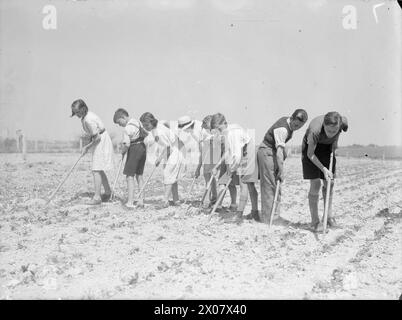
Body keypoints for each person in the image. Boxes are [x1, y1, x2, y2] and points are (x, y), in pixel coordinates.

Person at [257, 109, 308, 224]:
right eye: (295, 125)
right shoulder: (283, 129)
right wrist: (281, 170)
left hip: (273, 152)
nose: (296, 128)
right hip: (267, 152)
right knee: (269, 185)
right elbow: (279, 151)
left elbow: (281, 149)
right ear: (292, 118)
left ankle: (275, 216)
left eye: (299, 127)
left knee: (276, 185)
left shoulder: (288, 123)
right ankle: (268, 218)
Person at [302, 111, 348, 232]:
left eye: (335, 131)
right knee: (316, 183)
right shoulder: (314, 131)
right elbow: (310, 154)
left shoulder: (342, 122)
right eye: (329, 131)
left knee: (330, 183)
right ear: (324, 126)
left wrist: (335, 143)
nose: (331, 133)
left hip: (327, 148)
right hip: (311, 150)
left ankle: (328, 217)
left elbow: (337, 134)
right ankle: (315, 222)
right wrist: (323, 169)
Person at [210, 113, 258, 223]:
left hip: (247, 152)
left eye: (218, 129)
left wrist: (233, 168)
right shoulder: (227, 133)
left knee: (244, 183)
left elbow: (237, 155)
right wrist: (217, 166)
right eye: (216, 131)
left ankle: (239, 215)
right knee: (247, 184)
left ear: (222, 125)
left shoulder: (232, 133)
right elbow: (227, 152)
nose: (218, 132)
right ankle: (254, 213)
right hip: (242, 152)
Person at [71, 99, 114, 205]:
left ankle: (97, 197)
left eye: (78, 112)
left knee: (96, 170)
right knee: (98, 168)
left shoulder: (88, 119)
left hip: (101, 141)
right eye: (75, 112)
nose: (76, 114)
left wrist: (87, 147)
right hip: (100, 139)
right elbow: (94, 135)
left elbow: (97, 137)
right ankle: (108, 192)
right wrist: (89, 145)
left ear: (83, 108)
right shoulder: (85, 117)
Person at [139, 112, 185, 207]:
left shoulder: (159, 131)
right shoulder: (155, 129)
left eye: (147, 125)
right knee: (172, 177)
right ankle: (176, 200)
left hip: (174, 153)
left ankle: (165, 201)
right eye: (143, 126)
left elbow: (169, 147)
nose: (145, 127)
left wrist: (159, 159)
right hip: (171, 153)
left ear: (152, 122)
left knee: (168, 175)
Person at [113, 108, 148, 209]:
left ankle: (130, 202)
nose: (120, 125)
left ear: (123, 117)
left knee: (129, 176)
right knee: (139, 176)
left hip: (134, 149)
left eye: (119, 122)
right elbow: (145, 133)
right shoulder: (137, 121)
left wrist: (123, 150)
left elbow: (127, 143)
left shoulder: (127, 128)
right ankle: (141, 200)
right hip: (142, 148)